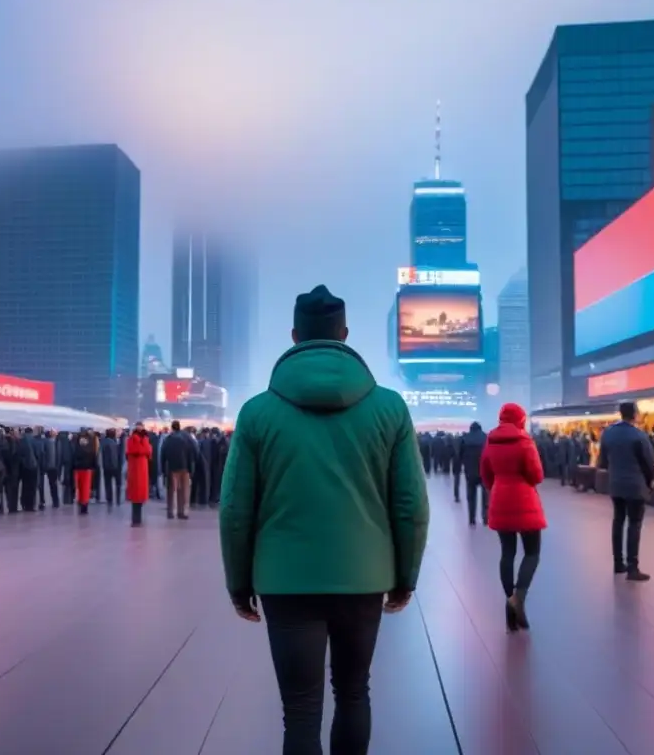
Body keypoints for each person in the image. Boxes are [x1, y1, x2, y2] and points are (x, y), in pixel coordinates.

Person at [219, 284, 429, 755]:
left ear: (294, 336)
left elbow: (235, 510)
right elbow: (411, 504)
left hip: (284, 580)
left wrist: (238, 582)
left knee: (299, 709)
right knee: (354, 693)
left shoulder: (256, 413)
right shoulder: (390, 408)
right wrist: (405, 576)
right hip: (364, 576)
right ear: (345, 334)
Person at [480, 403, 547, 632]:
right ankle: (518, 597)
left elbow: (485, 473)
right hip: (525, 500)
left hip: (500, 499)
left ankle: (509, 602)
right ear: (520, 419)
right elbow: (537, 475)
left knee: (507, 553)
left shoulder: (490, 440)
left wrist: (497, 487)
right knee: (532, 552)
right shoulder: (524, 441)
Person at [597, 401, 654, 582]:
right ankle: (633, 567)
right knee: (634, 524)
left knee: (618, 521)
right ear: (635, 414)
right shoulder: (639, 435)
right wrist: (650, 481)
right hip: (635, 485)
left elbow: (602, 461)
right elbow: (649, 462)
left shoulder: (608, 433)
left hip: (616, 484)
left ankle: (618, 563)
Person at [160, 420, 195, 520]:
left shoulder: (168, 439)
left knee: (172, 490)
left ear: (172, 427)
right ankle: (183, 511)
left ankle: (172, 511)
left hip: (172, 467)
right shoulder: (187, 437)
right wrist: (191, 467)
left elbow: (163, 454)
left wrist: (163, 468)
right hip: (185, 467)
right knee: (184, 490)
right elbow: (194, 452)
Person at [459, 421, 488, 525]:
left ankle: (472, 518)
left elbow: (460, 455)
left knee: (471, 496)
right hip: (484, 471)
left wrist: (465, 464)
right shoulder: (486, 438)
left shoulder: (465, 438)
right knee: (486, 496)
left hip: (470, 471)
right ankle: (486, 518)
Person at [125, 424, 153, 526]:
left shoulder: (142, 439)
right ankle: (136, 520)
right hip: (137, 470)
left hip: (140, 470)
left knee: (139, 496)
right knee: (136, 496)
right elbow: (144, 450)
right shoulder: (134, 439)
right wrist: (144, 447)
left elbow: (147, 451)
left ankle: (137, 519)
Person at [73, 428, 98, 514]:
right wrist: (94, 465)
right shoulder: (91, 441)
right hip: (87, 467)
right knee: (85, 487)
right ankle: (84, 505)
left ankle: (81, 503)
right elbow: (93, 453)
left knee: (80, 487)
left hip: (78, 467)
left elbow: (74, 452)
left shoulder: (76, 440)